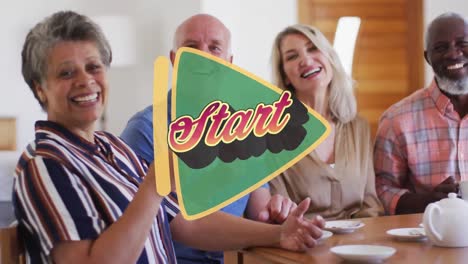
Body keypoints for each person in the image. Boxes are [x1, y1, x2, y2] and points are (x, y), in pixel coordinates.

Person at [12, 11, 327, 264]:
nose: (86, 81)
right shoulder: (46, 164)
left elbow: (186, 225)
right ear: (40, 87)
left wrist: (279, 233)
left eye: (94, 67)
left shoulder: (113, 150)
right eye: (66, 73)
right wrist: (154, 185)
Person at [121, 14, 299, 263]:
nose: (202, 56)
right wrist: (278, 233)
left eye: (214, 48)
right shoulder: (143, 131)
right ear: (175, 60)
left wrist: (277, 212)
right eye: (191, 47)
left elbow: (261, 209)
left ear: (229, 62)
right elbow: (178, 224)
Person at [268, 24, 384, 220]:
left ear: (329, 58)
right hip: (301, 245)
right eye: (292, 56)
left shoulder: (358, 127)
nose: (306, 59)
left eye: (313, 48)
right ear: (285, 77)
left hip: (359, 244)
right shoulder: (271, 134)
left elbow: (371, 204)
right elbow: (280, 215)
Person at [374, 12, 468, 215]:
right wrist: (427, 201)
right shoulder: (396, 120)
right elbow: (381, 191)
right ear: (427, 57)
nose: (453, 54)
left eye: (462, 43)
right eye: (441, 48)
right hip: (426, 238)